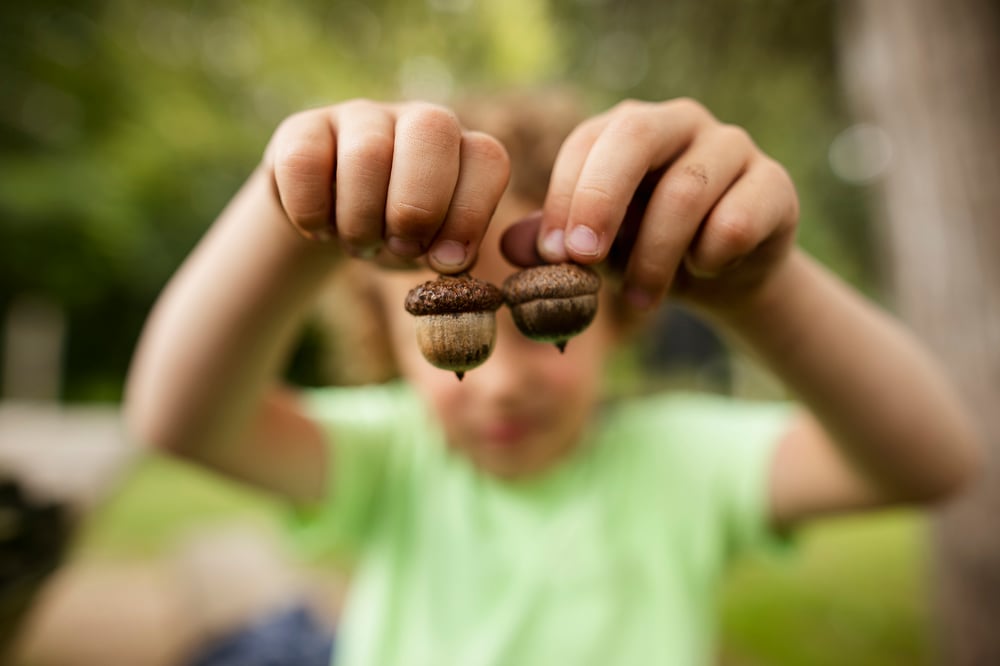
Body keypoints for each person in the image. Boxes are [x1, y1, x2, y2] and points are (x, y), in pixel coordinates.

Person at [124, 93, 981, 665]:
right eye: (454, 332)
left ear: (616, 316)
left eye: (540, 327)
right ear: (386, 340)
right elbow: (178, 417)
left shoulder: (681, 462)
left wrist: (762, 294)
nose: (497, 384)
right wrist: (289, 218)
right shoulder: (393, 458)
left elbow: (931, 461)